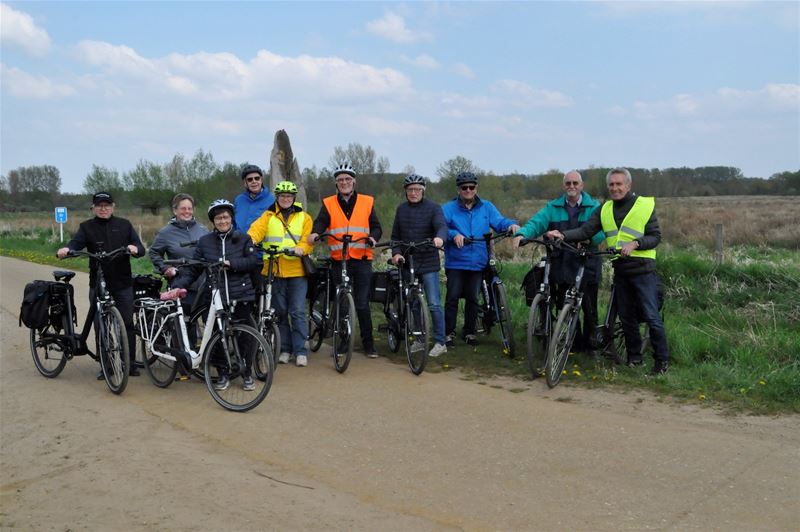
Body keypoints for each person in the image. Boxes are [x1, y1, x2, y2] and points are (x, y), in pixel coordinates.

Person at [546, 167, 669, 375]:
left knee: (650, 316)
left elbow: (655, 236)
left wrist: (636, 244)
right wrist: (562, 235)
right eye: (611, 185)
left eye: (619, 184)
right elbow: (586, 231)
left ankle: (661, 362)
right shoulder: (604, 209)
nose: (615, 188)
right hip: (620, 269)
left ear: (628, 186)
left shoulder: (644, 206)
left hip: (643, 271)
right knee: (627, 317)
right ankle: (634, 359)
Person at [172, 199, 263, 391]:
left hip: (240, 295)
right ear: (213, 221)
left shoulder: (243, 239)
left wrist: (232, 263)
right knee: (216, 336)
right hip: (214, 297)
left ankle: (245, 372)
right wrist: (179, 286)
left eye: (226, 217)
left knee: (244, 337)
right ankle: (222, 373)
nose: (222, 221)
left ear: (231, 218)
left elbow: (253, 262)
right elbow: (194, 269)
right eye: (218, 218)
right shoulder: (205, 242)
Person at [512, 170, 604, 355]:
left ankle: (591, 345)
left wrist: (589, 239)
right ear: (564, 186)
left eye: (575, 183)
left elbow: (603, 230)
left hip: (588, 263)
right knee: (565, 305)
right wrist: (522, 234)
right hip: (562, 263)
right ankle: (574, 344)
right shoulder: (553, 207)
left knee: (588, 307)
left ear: (581, 185)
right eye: (568, 183)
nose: (571, 187)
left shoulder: (594, 207)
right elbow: (536, 223)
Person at [57, 192, 145, 379]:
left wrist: (135, 249)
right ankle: (106, 366)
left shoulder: (124, 225)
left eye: (107, 205)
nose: (103, 208)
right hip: (98, 283)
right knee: (100, 324)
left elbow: (139, 247)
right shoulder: (86, 227)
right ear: (93, 208)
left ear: (113, 206)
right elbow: (76, 243)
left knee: (127, 323)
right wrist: (67, 249)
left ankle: (128, 364)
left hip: (122, 282)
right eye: (99, 205)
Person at [307, 163, 382, 357]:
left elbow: (376, 226)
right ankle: (342, 343)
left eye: (348, 179)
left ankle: (368, 344)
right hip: (339, 260)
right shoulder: (329, 203)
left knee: (362, 303)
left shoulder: (366, 201)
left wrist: (373, 237)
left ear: (354, 181)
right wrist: (315, 233)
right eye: (340, 180)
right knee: (341, 302)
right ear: (336, 184)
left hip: (362, 258)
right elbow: (321, 221)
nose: (344, 183)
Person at [442, 172, 520, 348]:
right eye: (464, 188)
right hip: (456, 261)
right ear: (459, 190)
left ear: (476, 188)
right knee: (452, 297)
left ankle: (469, 332)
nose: (468, 190)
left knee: (472, 298)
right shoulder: (448, 208)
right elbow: (440, 227)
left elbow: (499, 221)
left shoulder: (486, 207)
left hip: (478, 261)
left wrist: (511, 225)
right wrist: (454, 235)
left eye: (472, 187)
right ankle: (448, 333)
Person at [248, 181, 313, 367]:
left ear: (294, 198)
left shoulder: (304, 217)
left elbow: (308, 239)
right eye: (282, 196)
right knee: (281, 313)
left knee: (298, 312)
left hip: (296, 271)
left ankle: (300, 351)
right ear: (277, 197)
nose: (285, 199)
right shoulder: (268, 216)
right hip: (274, 270)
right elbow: (256, 231)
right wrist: (249, 241)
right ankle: (285, 349)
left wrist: (301, 248)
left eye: (289, 196)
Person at [389, 174, 449, 357]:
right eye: (410, 190)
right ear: (406, 192)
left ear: (423, 191)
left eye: (417, 190)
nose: (413, 193)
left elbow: (441, 226)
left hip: (428, 262)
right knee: (413, 303)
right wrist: (396, 253)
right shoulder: (401, 210)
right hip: (408, 262)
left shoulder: (433, 208)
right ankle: (420, 339)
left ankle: (440, 342)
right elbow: (395, 237)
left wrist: (439, 238)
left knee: (434, 303)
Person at [148, 193, 210, 304]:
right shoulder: (165, 232)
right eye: (183, 208)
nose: (187, 211)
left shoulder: (203, 229)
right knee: (185, 319)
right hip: (181, 283)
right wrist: (165, 268)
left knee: (208, 318)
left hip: (204, 282)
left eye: (190, 208)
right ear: (175, 210)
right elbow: (154, 252)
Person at [234, 164, 275, 233]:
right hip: (240, 242)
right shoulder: (238, 200)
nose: (254, 181)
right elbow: (233, 222)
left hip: (262, 242)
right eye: (250, 179)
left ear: (261, 180)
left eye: (257, 178)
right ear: (245, 183)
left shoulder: (272, 200)